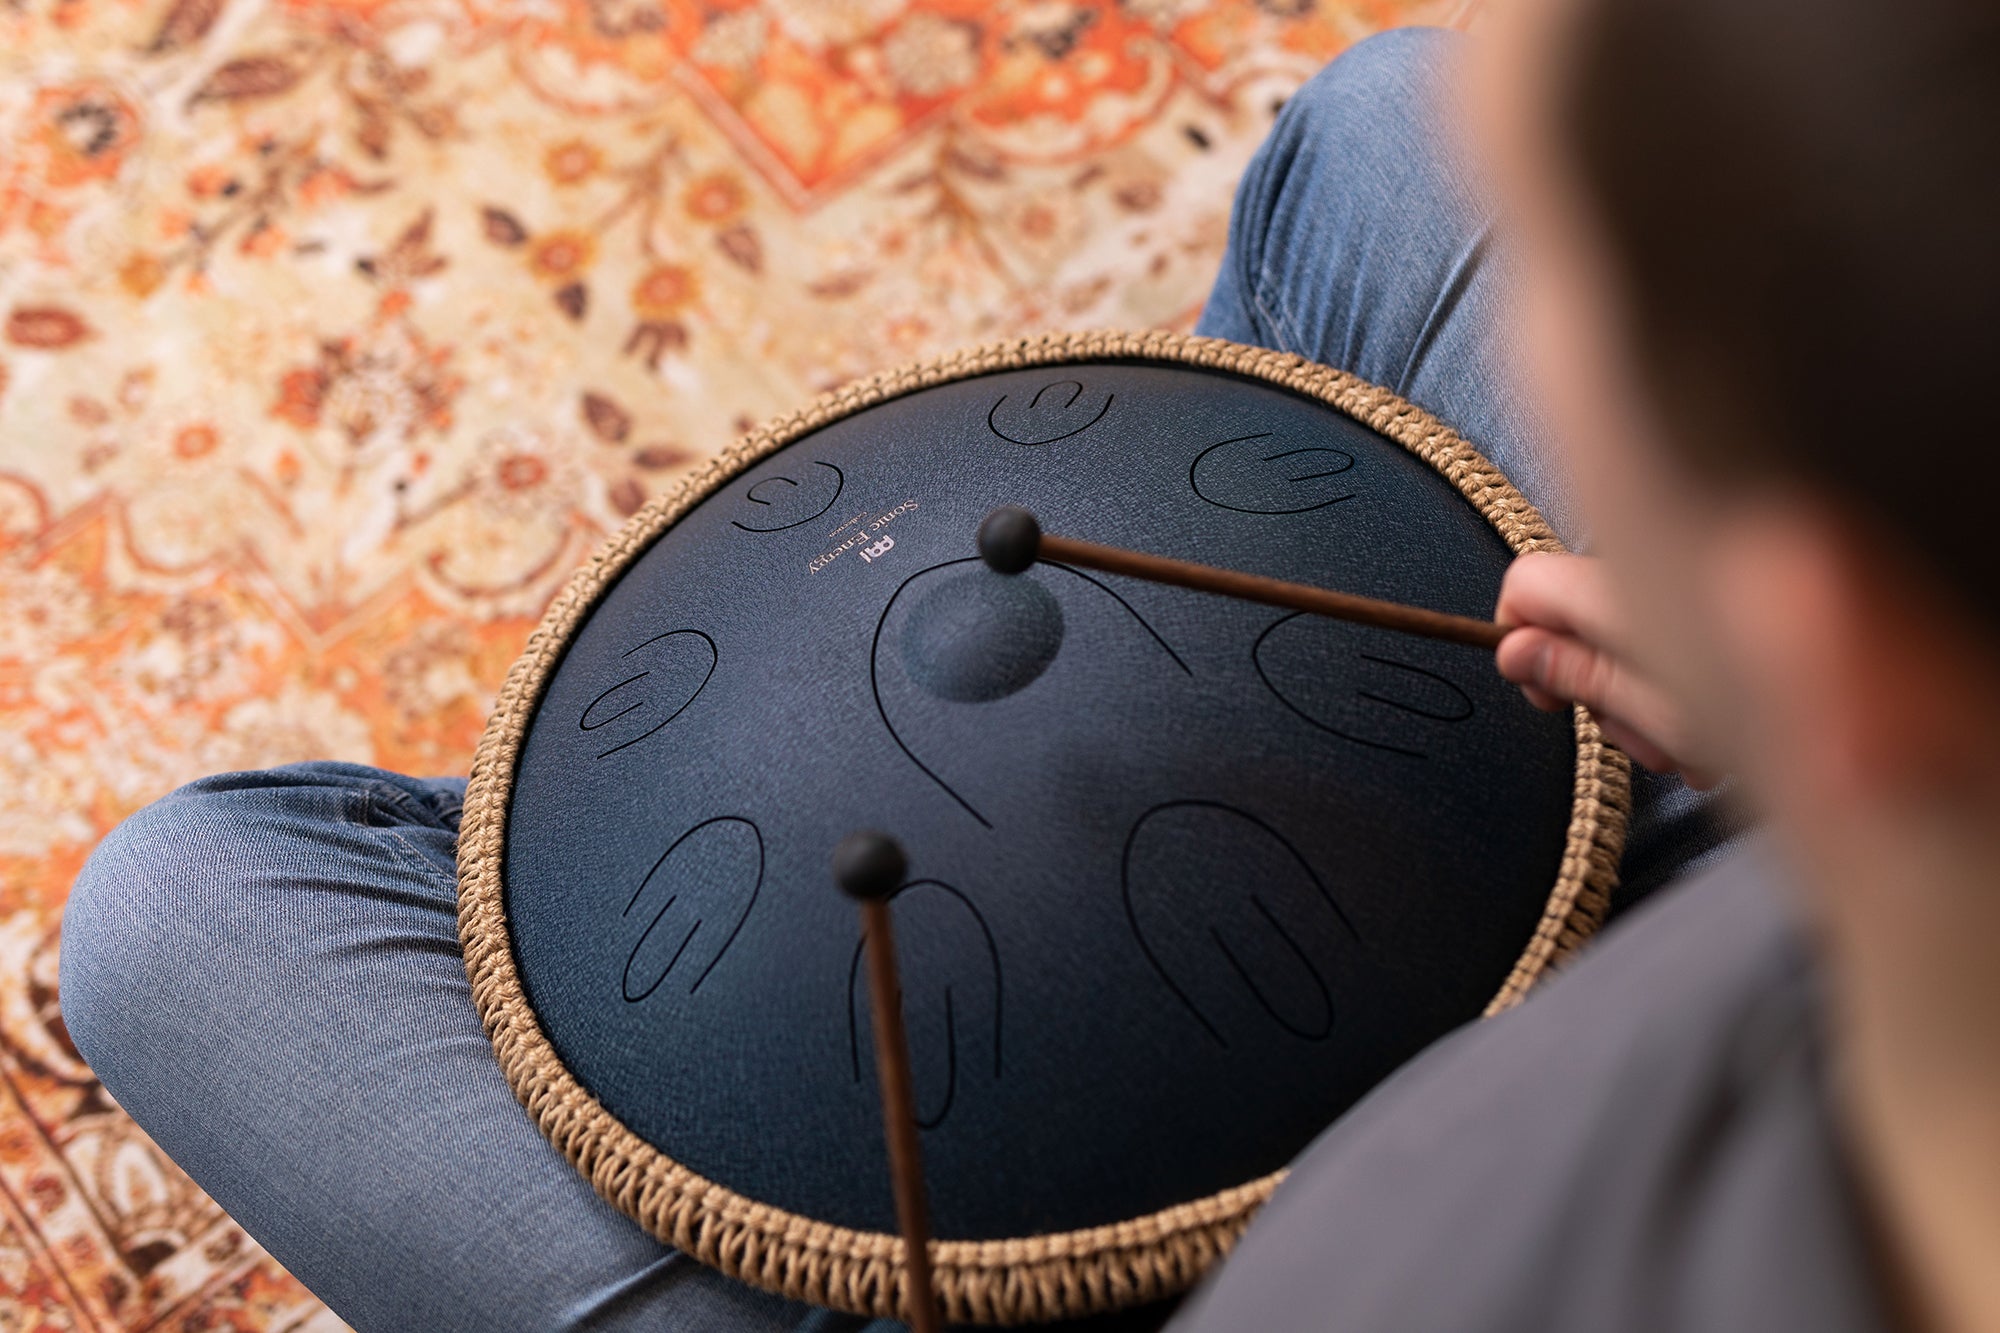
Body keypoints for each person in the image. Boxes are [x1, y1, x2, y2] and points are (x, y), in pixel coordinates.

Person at [63, 0, 1996, 1326]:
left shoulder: (1443, 1251)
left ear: (1829, 635)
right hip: (1853, 848)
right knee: (1395, 136)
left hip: (1290, 1210)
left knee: (180, 914)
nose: (1575, 307)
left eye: (1609, 303)